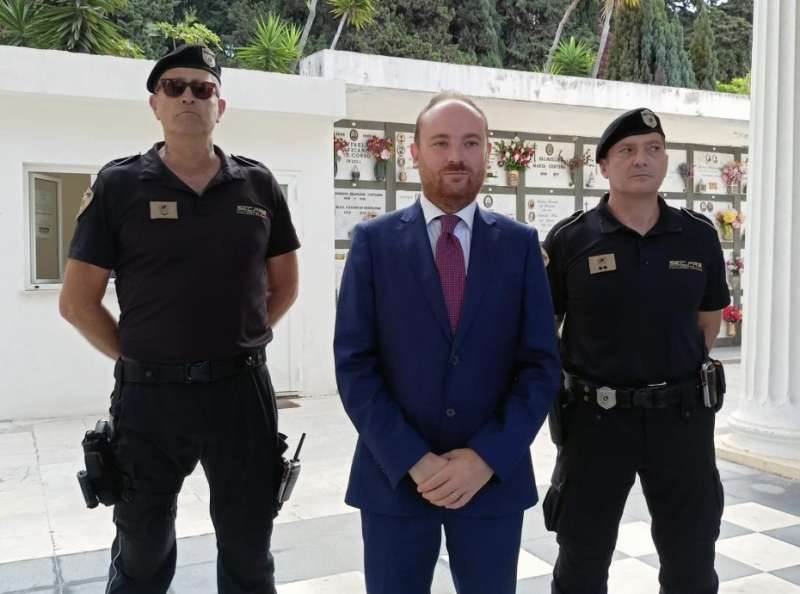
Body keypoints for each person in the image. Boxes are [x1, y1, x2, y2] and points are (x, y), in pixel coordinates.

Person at [59, 45, 300, 594]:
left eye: (202, 87)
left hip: (241, 396)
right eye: (175, 88)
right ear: (155, 104)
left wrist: (242, 340)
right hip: (150, 400)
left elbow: (284, 286)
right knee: (142, 550)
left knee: (248, 548)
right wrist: (141, 356)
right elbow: (76, 301)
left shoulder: (258, 186)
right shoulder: (120, 186)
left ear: (221, 104)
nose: (189, 96)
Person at [333, 91, 561, 594]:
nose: (456, 155)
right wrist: (415, 460)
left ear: (488, 152)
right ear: (414, 153)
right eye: (441, 142)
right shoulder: (373, 242)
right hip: (394, 478)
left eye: (470, 142)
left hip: (491, 481)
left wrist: (484, 458)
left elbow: (541, 365)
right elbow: (355, 365)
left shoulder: (520, 244)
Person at [542, 107, 730, 594]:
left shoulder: (699, 235)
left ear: (666, 159)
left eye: (653, 149)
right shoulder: (571, 239)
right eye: (626, 150)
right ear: (603, 165)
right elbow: (548, 328)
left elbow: (707, 322)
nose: (641, 159)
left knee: (691, 560)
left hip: (681, 421)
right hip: (595, 422)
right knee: (581, 561)